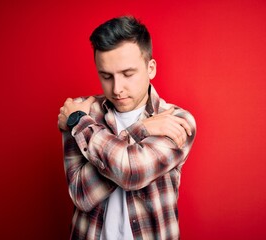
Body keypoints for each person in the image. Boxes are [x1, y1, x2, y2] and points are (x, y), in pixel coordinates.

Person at [58, 16, 196, 240]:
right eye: (106, 76)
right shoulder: (83, 113)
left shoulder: (176, 120)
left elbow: (131, 173)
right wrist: (140, 130)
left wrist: (79, 123)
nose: (117, 88)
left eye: (128, 74)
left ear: (150, 68)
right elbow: (81, 194)